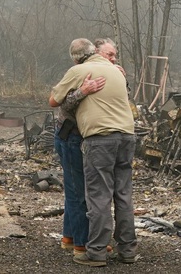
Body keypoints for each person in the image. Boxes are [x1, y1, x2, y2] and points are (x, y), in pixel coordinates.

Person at [50, 38, 138, 267]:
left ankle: (94, 250)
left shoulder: (92, 70)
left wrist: (82, 90)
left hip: (100, 138)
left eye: (114, 55)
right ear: (96, 53)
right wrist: (82, 91)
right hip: (122, 136)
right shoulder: (103, 72)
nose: (113, 59)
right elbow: (61, 104)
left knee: (94, 196)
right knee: (120, 195)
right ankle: (126, 249)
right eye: (110, 54)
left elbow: (53, 101)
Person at [49, 39, 106, 256]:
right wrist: (82, 91)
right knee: (78, 192)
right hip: (70, 135)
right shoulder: (78, 72)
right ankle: (82, 244)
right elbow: (54, 101)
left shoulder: (102, 70)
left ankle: (69, 236)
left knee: (74, 189)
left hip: (80, 136)